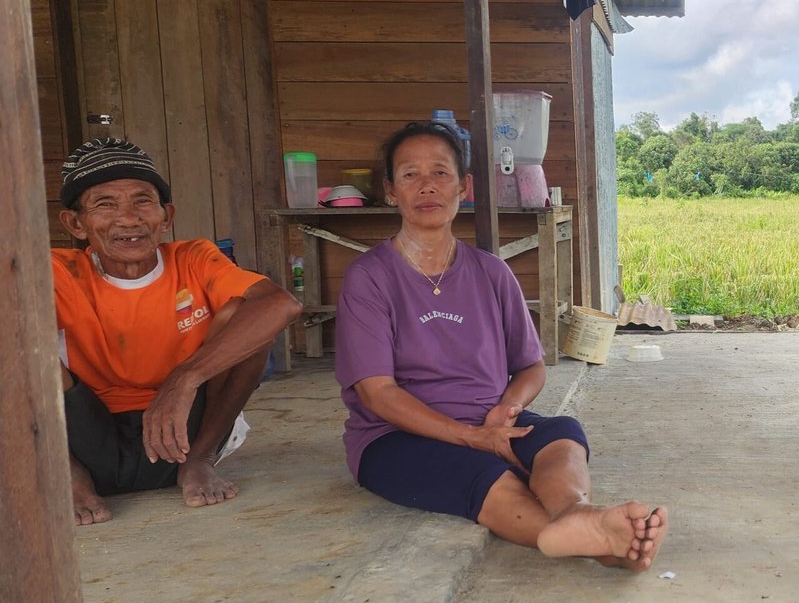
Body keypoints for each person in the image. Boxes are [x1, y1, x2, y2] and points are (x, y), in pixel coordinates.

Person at [335, 122, 667, 569]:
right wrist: (474, 438)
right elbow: (377, 394)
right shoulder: (370, 277)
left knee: (561, 435)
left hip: (488, 420)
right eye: (410, 174)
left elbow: (531, 367)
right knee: (485, 475)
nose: (427, 186)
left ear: (464, 186)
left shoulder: (491, 272)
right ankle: (608, 549)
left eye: (440, 172)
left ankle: (579, 515)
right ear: (391, 191)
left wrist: (507, 409)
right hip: (395, 437)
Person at [53, 138, 301, 525]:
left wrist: (184, 378)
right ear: (75, 224)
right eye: (105, 204)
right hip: (83, 439)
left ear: (166, 216)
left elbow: (281, 304)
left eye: (142, 201)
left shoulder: (193, 258)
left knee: (245, 313)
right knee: (15, 330)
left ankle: (201, 462)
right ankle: (64, 473)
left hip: (186, 435)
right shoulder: (58, 271)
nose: (129, 219)